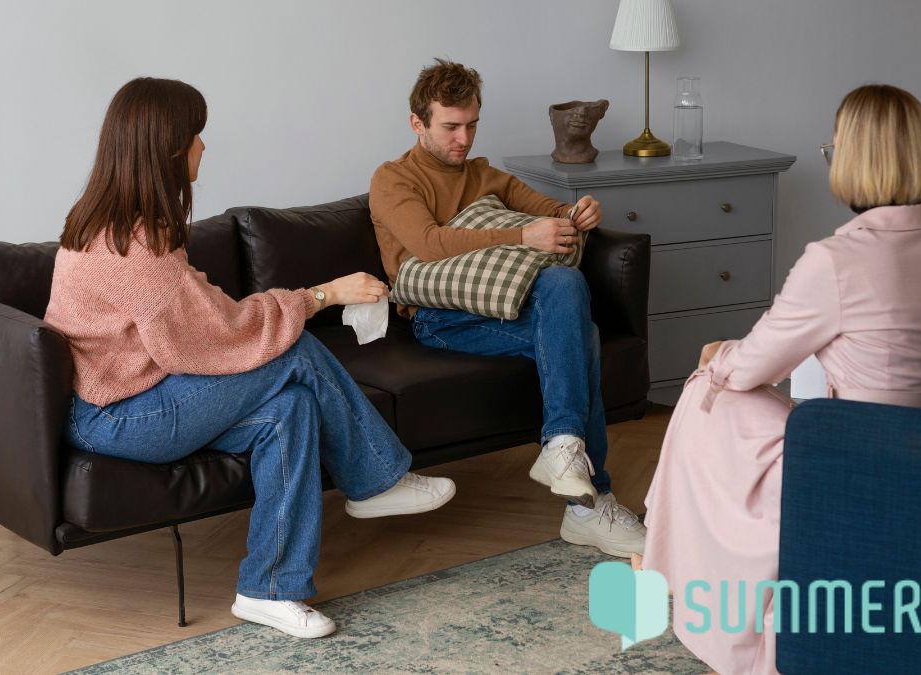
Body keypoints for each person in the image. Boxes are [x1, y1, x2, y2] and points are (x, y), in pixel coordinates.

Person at [44, 77, 455, 640]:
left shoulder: (125, 223)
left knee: (289, 410)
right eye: (196, 136)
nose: (204, 147)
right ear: (167, 148)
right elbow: (212, 337)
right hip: (117, 415)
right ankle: (376, 480)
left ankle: (268, 589)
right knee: (298, 352)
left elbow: (203, 314)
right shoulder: (134, 247)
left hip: (130, 398)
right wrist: (321, 296)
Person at [636, 84, 921, 674]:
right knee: (739, 388)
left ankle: (665, 563)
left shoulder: (836, 261)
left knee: (704, 392)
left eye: (834, 146)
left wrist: (714, 356)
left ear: (854, 158)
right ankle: (661, 560)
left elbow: (752, 366)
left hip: (849, 463)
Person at [369, 59, 646, 558]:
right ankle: (589, 504)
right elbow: (428, 244)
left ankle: (564, 450)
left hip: (504, 308)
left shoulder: (486, 175)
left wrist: (576, 213)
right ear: (418, 123)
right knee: (584, 338)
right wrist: (522, 234)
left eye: (472, 124)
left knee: (564, 284)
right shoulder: (393, 180)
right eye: (450, 126)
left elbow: (548, 208)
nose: (464, 139)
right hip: (440, 320)